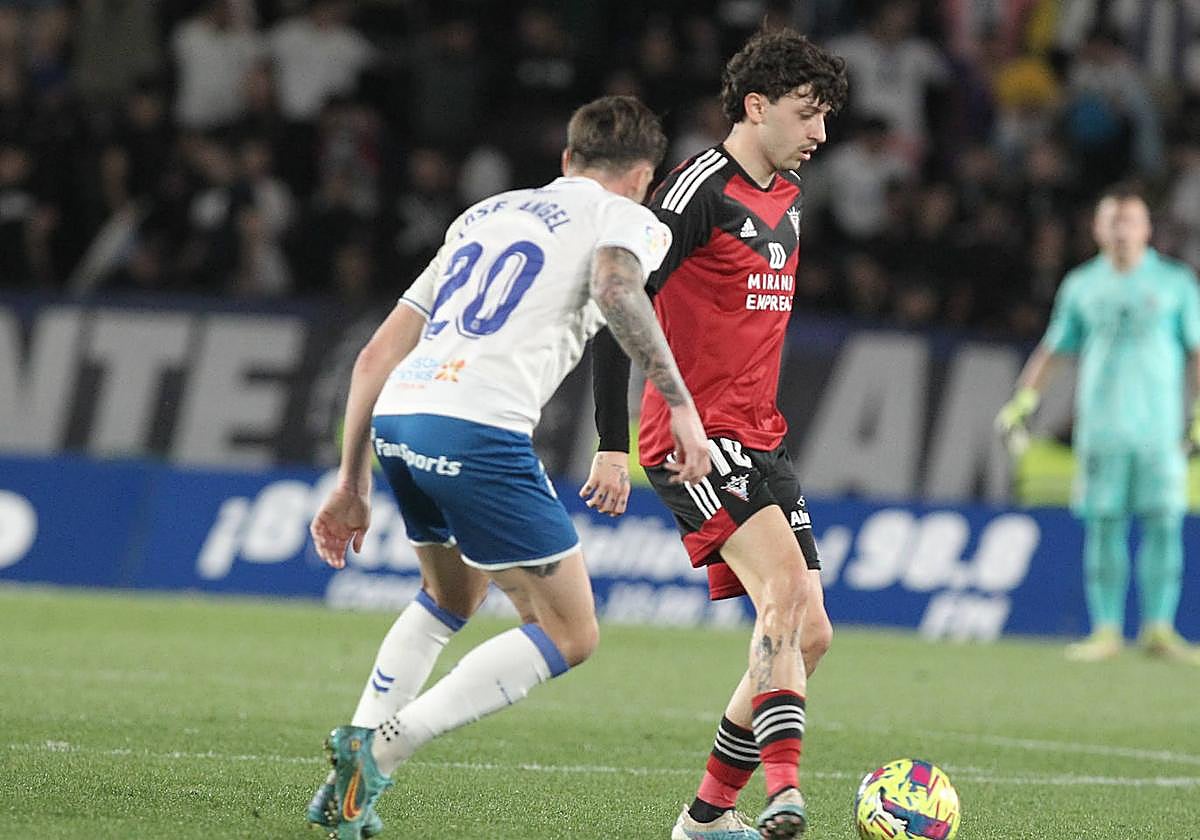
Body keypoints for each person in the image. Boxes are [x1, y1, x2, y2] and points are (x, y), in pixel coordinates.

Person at [306, 95, 710, 839]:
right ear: (644, 178)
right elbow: (616, 288)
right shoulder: (628, 217)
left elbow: (373, 356)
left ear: (567, 159)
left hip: (402, 417)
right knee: (570, 632)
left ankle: (350, 780)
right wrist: (678, 402)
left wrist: (350, 483)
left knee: (449, 595)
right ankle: (381, 749)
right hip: (478, 429)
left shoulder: (483, 215)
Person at [583, 28, 848, 840]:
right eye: (807, 113)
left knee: (810, 632)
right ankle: (785, 794)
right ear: (756, 106)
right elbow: (617, 303)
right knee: (784, 592)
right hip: (693, 439)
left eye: (826, 116)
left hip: (762, 436)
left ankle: (704, 819)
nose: (820, 133)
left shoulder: (789, 195)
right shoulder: (697, 190)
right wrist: (612, 442)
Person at [997, 186, 1200, 665]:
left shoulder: (1175, 283)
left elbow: (1197, 352)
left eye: (1130, 221)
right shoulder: (1082, 285)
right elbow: (1054, 348)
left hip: (1160, 431)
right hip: (1101, 430)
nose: (1122, 230)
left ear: (1147, 229)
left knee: (1164, 524)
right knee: (1105, 526)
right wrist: (1024, 400)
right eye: (1113, 221)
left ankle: (1159, 628)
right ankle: (1106, 629)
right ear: (1097, 229)